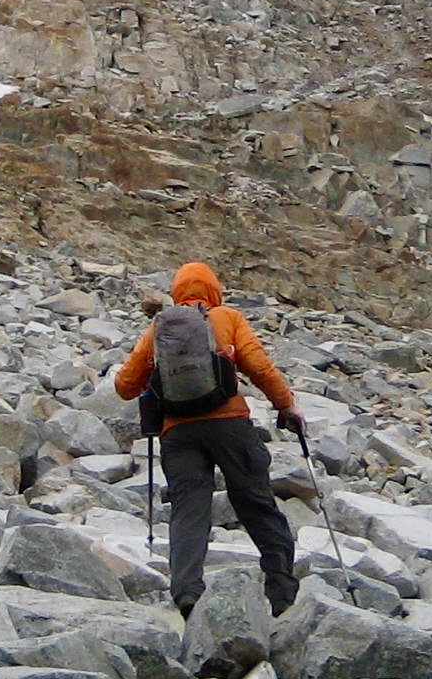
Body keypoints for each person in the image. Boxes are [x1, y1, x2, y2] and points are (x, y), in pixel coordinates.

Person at [113, 261, 303, 619]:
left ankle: (187, 593)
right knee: (256, 503)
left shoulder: (161, 327)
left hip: (178, 432)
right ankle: (281, 593)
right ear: (214, 290)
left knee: (189, 510)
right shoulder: (227, 317)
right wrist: (287, 405)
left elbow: (124, 387)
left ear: (177, 291)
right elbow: (260, 367)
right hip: (229, 425)